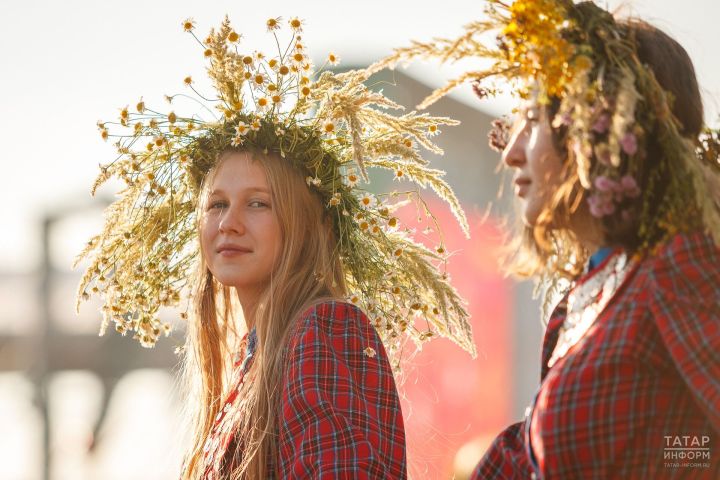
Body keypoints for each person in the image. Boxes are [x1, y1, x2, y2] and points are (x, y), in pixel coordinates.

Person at [75, 16, 477, 479]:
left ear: (303, 226)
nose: (229, 223)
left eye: (259, 204)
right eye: (217, 204)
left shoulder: (323, 327)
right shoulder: (257, 356)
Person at [376, 0, 720, 478]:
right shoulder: (590, 291)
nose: (512, 151)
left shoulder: (676, 264)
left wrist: (670, 462)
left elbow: (702, 445)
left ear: (591, 133)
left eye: (533, 121)